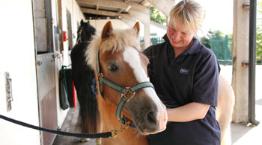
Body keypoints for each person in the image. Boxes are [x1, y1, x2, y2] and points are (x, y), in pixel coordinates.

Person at [144, 0, 220, 145]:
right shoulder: (152, 53)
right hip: (159, 138)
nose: (176, 36)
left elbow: (199, 109)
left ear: (196, 30)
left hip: (196, 138)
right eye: (172, 28)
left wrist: (159, 114)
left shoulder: (205, 58)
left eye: (184, 32)